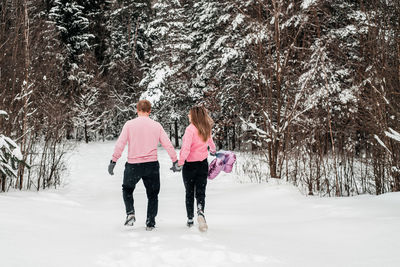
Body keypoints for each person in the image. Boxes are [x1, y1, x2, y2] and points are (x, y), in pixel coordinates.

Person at [108, 100, 178, 231]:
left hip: (133, 165)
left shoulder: (129, 125)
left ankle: (130, 213)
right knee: (152, 194)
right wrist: (174, 160)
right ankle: (150, 222)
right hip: (151, 165)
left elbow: (120, 144)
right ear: (150, 111)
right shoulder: (156, 126)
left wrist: (113, 160)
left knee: (127, 189)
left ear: (137, 109)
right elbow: (167, 144)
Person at [173, 106, 216, 231]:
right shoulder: (206, 128)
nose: (188, 116)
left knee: (189, 192)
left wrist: (180, 163)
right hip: (202, 164)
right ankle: (200, 211)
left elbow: (185, 149)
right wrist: (213, 151)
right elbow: (211, 144)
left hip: (190, 166)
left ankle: (190, 218)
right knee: (201, 191)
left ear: (194, 116)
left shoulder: (190, 129)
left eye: (189, 114)